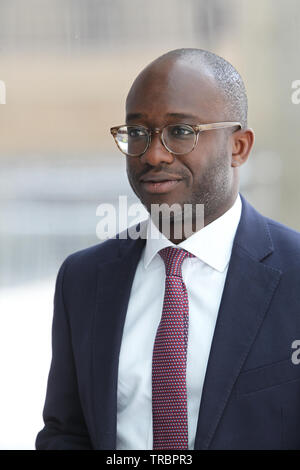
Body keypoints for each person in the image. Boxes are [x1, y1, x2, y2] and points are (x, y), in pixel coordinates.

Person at [35, 48, 300, 450]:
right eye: (138, 133)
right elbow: (66, 433)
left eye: (181, 132)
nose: (154, 155)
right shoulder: (84, 280)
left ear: (239, 147)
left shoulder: (294, 273)